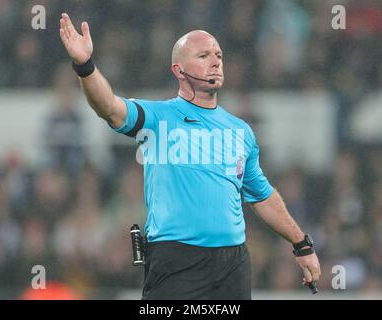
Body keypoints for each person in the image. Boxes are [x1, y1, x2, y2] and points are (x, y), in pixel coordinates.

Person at [59, 12, 321, 300]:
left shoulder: (241, 131)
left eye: (219, 54)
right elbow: (108, 107)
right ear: (179, 70)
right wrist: (85, 66)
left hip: (232, 263)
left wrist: (301, 244)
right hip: (177, 260)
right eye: (204, 55)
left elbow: (261, 195)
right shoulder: (158, 118)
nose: (216, 60)